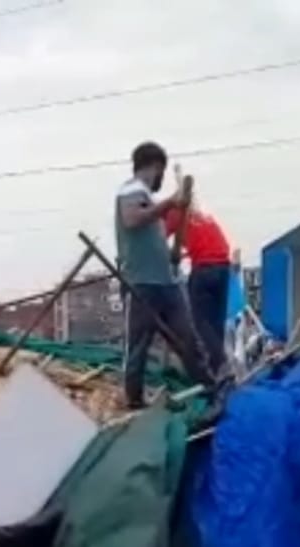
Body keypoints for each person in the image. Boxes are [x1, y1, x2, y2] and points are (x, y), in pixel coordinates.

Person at [114, 141, 215, 409]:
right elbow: (132, 219)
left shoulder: (149, 198)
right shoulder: (132, 190)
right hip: (142, 283)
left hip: (167, 282)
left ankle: (209, 386)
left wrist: (172, 253)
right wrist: (171, 202)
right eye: (161, 171)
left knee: (188, 338)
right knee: (139, 345)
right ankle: (134, 399)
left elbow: (152, 236)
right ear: (155, 167)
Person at [163, 184, 233, 375]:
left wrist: (170, 254)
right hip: (224, 268)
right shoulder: (202, 215)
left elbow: (158, 240)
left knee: (201, 322)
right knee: (216, 322)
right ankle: (219, 369)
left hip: (204, 269)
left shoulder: (174, 213)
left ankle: (222, 366)